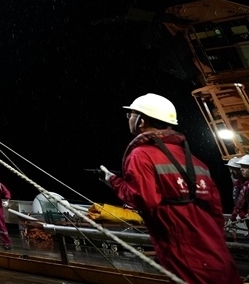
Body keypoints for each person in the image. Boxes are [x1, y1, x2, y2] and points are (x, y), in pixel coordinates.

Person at [101, 93, 241, 284]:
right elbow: (215, 210)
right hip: (216, 250)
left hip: (184, 252)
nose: (129, 119)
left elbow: (145, 199)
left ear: (141, 121)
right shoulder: (194, 160)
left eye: (131, 115)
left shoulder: (141, 155)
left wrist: (114, 182)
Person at [229, 154, 249, 222]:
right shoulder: (244, 185)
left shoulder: (246, 186)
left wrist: (237, 216)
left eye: (244, 167)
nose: (241, 169)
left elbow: (239, 204)